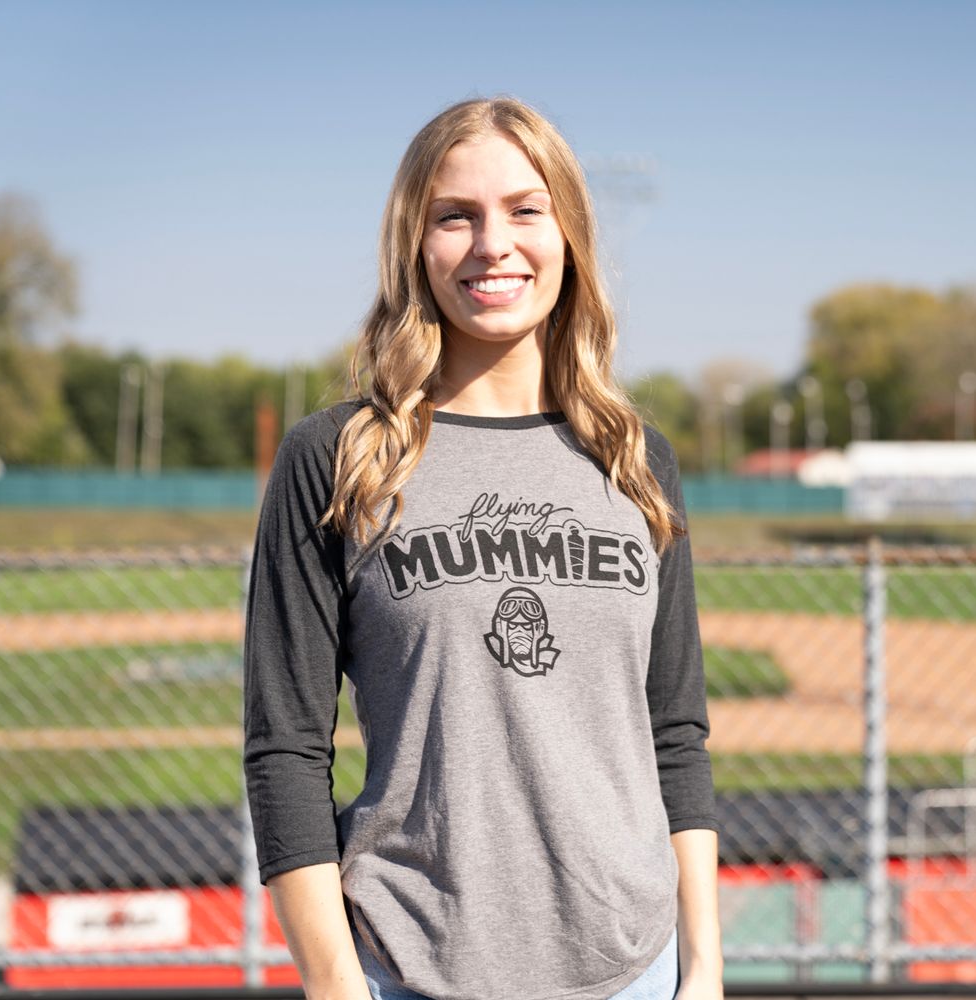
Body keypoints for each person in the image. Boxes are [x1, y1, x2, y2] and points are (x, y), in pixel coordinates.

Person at [242, 96, 722, 1000]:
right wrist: (335, 985)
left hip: (634, 971)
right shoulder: (339, 456)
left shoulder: (636, 457)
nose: (492, 243)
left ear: (569, 235)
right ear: (414, 245)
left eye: (525, 210)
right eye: (455, 215)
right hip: (411, 971)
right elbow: (286, 751)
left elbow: (676, 736)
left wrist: (703, 971)